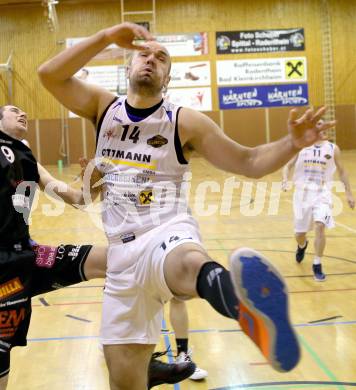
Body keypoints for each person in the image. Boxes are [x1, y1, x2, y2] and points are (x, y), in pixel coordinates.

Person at [38, 22, 335, 390]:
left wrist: (292, 144)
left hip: (166, 230)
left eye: (161, 58)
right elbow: (48, 75)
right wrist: (104, 38)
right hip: (120, 257)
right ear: (128, 68)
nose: (150, 60)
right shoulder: (103, 108)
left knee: (189, 264)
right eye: (143, 55)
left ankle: (249, 311)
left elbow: (249, 161)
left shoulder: (184, 121)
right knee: (124, 382)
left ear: (167, 79)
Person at [0, 104, 196, 390]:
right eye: (13, 110)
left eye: (23, 111)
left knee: (121, 259)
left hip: (28, 254)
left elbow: (77, 198)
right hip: (3, 266)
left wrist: (95, 182)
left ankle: (136, 360)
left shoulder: (26, 155)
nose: (22, 114)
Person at [282, 123, 355, 281]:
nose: (323, 128)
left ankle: (317, 263)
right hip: (302, 195)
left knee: (320, 226)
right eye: (319, 126)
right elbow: (287, 166)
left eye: (324, 126)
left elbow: (342, 171)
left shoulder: (332, 148)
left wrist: (348, 193)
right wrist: (285, 180)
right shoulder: (301, 148)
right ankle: (302, 245)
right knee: (299, 234)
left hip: (322, 193)